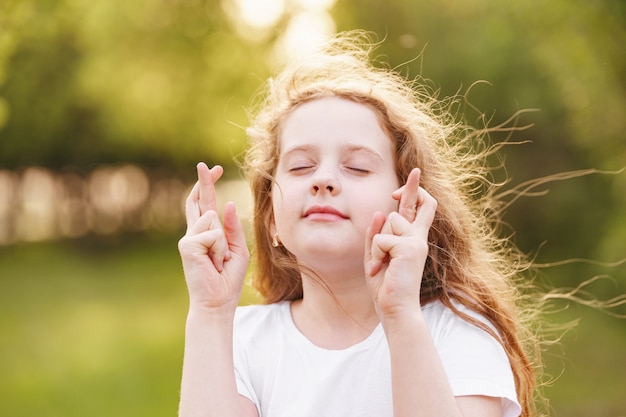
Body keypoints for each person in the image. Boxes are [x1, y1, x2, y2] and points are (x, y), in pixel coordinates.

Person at [177, 31, 542, 417]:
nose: (324, 179)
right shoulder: (237, 338)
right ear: (270, 221)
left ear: (410, 210)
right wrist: (210, 311)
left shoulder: (458, 332)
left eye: (357, 167)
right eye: (301, 166)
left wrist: (400, 316)